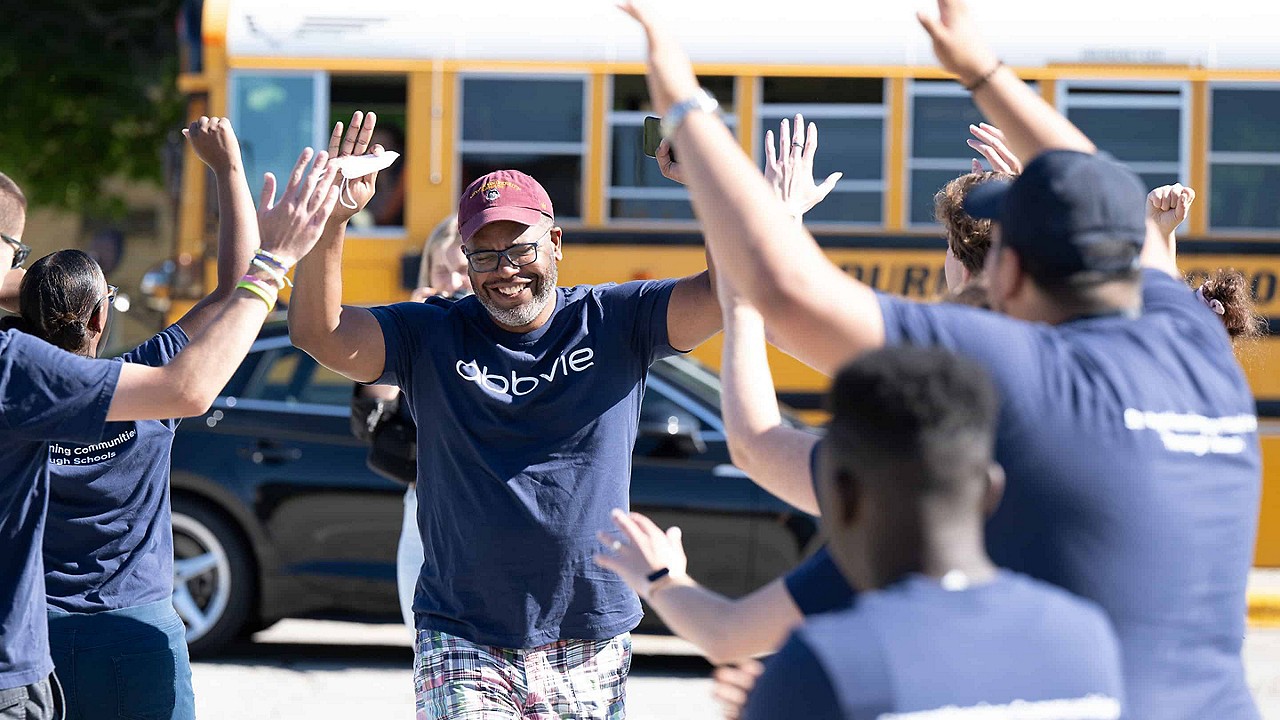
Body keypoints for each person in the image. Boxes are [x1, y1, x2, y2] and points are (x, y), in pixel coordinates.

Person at [620, 1, 1261, 717]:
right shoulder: (1198, 348)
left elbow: (783, 314)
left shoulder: (1021, 379)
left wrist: (682, 103)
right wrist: (983, 71)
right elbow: (1107, 198)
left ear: (1007, 276)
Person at [288, 111, 722, 719]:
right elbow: (319, 332)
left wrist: (705, 185)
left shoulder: (615, 320)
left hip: (590, 629)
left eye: (519, 249)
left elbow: (724, 293)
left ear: (556, 244)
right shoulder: (433, 333)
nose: (504, 270)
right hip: (464, 630)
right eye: (484, 256)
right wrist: (334, 221)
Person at [598, 344, 1125, 719]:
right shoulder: (1087, 638)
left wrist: (663, 580)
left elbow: (727, 633)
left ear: (843, 496)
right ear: (990, 489)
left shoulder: (826, 666)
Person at [0, 142, 340, 720]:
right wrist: (228, 171)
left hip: (40, 634)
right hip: (137, 627)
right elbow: (233, 293)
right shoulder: (152, 385)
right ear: (103, 316)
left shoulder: (21, 390)